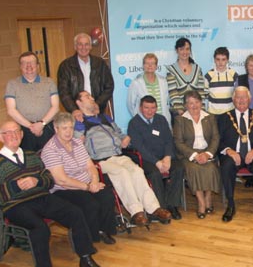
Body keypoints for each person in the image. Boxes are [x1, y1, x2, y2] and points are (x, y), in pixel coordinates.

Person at [0, 121, 107, 267]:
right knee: (39, 228)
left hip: (41, 197)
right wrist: (16, 186)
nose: (14, 136)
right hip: (16, 205)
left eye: (17, 132)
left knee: (75, 213)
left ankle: (85, 259)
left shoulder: (31, 156)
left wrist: (37, 181)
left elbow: (48, 179)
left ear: (22, 134)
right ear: (0, 137)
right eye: (8, 133)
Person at [73, 91, 171, 226]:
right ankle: (136, 212)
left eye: (91, 95)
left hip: (118, 154)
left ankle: (154, 208)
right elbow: (76, 143)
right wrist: (78, 120)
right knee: (122, 172)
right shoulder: (79, 122)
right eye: (87, 97)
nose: (92, 98)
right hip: (100, 160)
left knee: (137, 171)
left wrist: (125, 139)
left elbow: (118, 133)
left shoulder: (105, 118)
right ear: (79, 103)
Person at [41, 112, 116, 244]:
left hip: (87, 183)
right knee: (90, 203)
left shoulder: (77, 143)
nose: (68, 132)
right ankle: (91, 237)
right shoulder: (50, 150)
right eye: (64, 128)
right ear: (56, 128)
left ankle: (103, 230)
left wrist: (94, 181)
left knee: (107, 196)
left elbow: (90, 166)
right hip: (65, 190)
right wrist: (87, 187)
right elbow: (62, 180)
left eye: (71, 127)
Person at [127, 95, 185, 220]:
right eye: (146, 108)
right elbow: (140, 148)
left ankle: (172, 205)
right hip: (146, 159)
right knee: (154, 174)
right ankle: (160, 209)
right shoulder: (134, 123)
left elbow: (169, 140)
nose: (150, 111)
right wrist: (157, 162)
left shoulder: (161, 119)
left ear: (156, 108)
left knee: (179, 168)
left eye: (153, 108)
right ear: (140, 108)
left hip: (164, 156)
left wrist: (168, 157)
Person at [217, 86, 253, 222]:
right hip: (233, 155)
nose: (241, 100)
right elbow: (218, 140)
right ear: (233, 99)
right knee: (226, 164)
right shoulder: (223, 118)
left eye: (244, 97)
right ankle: (230, 204)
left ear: (249, 99)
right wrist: (229, 151)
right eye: (238, 97)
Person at [173, 90, 221, 218]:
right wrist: (194, 155)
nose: (194, 106)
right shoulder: (180, 120)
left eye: (196, 102)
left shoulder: (210, 118)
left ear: (201, 103)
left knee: (211, 168)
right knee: (194, 169)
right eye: (190, 103)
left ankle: (208, 197)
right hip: (188, 154)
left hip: (206, 152)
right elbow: (178, 142)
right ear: (185, 106)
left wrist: (208, 154)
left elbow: (215, 138)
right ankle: (201, 202)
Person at [4, 51, 59, 151]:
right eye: (24, 63)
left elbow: (55, 107)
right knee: (28, 161)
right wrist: (31, 126)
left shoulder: (49, 82)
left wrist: (41, 124)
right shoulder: (12, 84)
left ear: (38, 66)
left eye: (32, 62)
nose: (28, 65)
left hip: (47, 127)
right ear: (20, 67)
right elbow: (11, 110)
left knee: (51, 160)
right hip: (24, 130)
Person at [57, 33, 114, 121]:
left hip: (97, 112)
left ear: (91, 46)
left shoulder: (100, 64)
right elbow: (63, 92)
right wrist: (74, 109)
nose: (83, 47)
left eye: (86, 44)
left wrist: (97, 104)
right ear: (75, 47)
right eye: (80, 44)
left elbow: (109, 86)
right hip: (76, 114)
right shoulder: (65, 66)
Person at [127, 53, 171, 125]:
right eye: (147, 63)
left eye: (152, 63)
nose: (150, 66)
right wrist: (139, 118)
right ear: (143, 65)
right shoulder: (136, 83)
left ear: (156, 66)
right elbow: (130, 104)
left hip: (162, 121)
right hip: (144, 122)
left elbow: (167, 102)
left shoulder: (163, 81)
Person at [166, 37, 207, 116]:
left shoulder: (197, 69)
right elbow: (173, 93)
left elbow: (201, 92)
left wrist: (200, 110)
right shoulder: (171, 70)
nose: (185, 52)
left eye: (187, 49)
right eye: (181, 49)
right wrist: (182, 112)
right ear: (177, 51)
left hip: (197, 112)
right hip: (179, 113)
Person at [204, 47, 238, 115]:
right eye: (218, 59)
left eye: (223, 59)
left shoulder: (233, 74)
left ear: (227, 60)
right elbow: (204, 94)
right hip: (213, 113)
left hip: (229, 113)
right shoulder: (209, 75)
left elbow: (237, 94)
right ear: (214, 60)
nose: (220, 62)